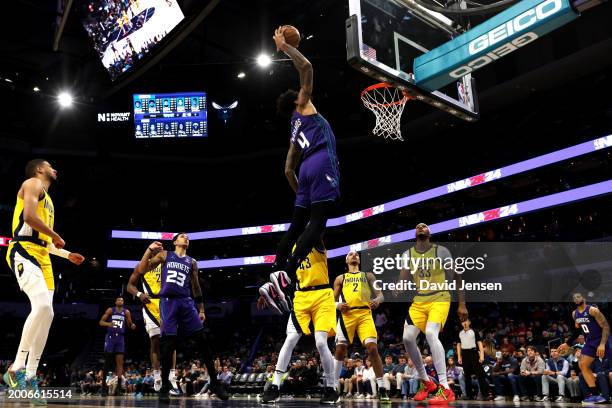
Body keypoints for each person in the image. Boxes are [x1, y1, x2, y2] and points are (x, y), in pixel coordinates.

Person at [269, 26, 341, 306]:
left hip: (303, 171)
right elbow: (307, 67)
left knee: (298, 223)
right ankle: (288, 271)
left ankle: (276, 268)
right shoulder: (303, 106)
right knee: (318, 222)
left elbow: (288, 169)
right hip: (321, 160)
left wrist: (303, 193)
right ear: (296, 100)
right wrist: (285, 48)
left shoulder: (292, 127)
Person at [3, 159, 85, 403]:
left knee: (47, 314)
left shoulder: (49, 201)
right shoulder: (32, 183)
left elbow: (46, 243)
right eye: (51, 165)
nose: (55, 169)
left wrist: (67, 255)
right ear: (40, 169)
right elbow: (28, 217)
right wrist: (56, 235)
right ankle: (16, 367)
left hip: (43, 256)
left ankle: (30, 376)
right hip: (23, 250)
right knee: (42, 307)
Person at [136, 233, 228, 402]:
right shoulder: (164, 255)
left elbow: (196, 287)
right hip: (168, 302)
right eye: (182, 236)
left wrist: (201, 309)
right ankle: (165, 386)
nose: (186, 238)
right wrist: (149, 250)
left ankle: (215, 383)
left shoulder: (192, 262)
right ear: (175, 241)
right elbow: (142, 270)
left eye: (187, 237)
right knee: (169, 344)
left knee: (202, 341)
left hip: (186, 302)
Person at [258, 241, 339, 404]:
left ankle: (331, 388)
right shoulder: (293, 248)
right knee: (290, 340)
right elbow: (283, 275)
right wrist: (267, 292)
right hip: (301, 297)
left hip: (322, 295)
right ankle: (275, 386)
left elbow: (317, 222)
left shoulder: (315, 239)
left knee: (321, 343)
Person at [397, 223, 468, 403]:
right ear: (415, 233)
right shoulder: (408, 254)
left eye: (424, 226)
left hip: (440, 297)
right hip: (420, 300)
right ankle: (427, 382)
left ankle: (445, 388)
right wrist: (398, 287)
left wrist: (462, 304)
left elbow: (457, 276)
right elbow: (403, 278)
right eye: (417, 226)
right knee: (407, 338)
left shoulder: (441, 251)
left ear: (429, 233)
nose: (420, 226)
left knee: (430, 333)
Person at [332, 250, 389, 402]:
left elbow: (381, 295)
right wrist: (338, 305)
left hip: (365, 314)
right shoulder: (341, 278)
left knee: (372, 348)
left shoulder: (368, 275)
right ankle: (332, 388)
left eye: (356, 254)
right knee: (340, 350)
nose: (354, 255)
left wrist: (377, 300)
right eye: (351, 254)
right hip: (347, 315)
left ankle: (382, 388)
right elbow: (330, 301)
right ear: (346, 260)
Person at [558, 293, 612, 404]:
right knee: (582, 365)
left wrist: (602, 344)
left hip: (603, 339)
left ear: (584, 299)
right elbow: (577, 330)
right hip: (590, 342)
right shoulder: (575, 314)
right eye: (574, 298)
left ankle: (607, 396)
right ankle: (595, 394)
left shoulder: (593, 310)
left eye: (579, 297)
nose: (576, 299)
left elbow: (606, 326)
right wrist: (567, 343)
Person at [99, 296, 136, 395]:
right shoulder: (111, 310)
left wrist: (132, 325)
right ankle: (103, 388)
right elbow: (101, 322)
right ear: (115, 302)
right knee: (107, 362)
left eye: (122, 300)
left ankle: (119, 389)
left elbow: (130, 324)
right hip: (110, 338)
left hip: (120, 338)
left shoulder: (126, 312)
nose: (121, 301)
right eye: (119, 300)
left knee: (120, 364)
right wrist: (109, 324)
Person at [457, 318, 489, 399]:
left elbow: (480, 344)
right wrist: (459, 356)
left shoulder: (474, 331)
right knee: (466, 375)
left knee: (480, 375)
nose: (464, 323)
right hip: (464, 354)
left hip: (473, 352)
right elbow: (458, 345)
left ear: (469, 322)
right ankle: (469, 395)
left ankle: (484, 395)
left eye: (466, 321)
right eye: (463, 322)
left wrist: (481, 356)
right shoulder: (460, 333)